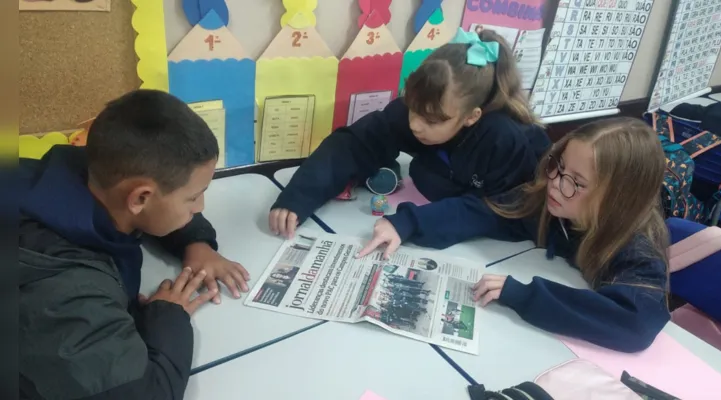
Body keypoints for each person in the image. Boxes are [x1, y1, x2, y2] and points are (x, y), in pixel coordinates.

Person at [360, 117, 671, 352]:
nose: (554, 183)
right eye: (557, 167)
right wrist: (407, 223)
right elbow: (486, 212)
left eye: (575, 181)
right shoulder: (551, 204)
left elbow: (636, 322)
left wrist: (523, 295)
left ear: (617, 199)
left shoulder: (637, 252)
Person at [19, 89, 250, 399]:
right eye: (194, 197)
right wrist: (168, 316)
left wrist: (196, 243)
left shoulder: (82, 169)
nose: (200, 207)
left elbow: (149, 201)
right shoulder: (68, 292)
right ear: (140, 198)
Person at [269, 28, 550, 240]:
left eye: (430, 120)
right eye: (413, 109)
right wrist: (298, 198)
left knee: (427, 175)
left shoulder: (502, 138)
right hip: (456, 187)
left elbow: (502, 212)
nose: (416, 125)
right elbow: (355, 142)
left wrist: (411, 223)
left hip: (520, 219)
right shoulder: (420, 110)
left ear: (471, 117)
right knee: (421, 172)